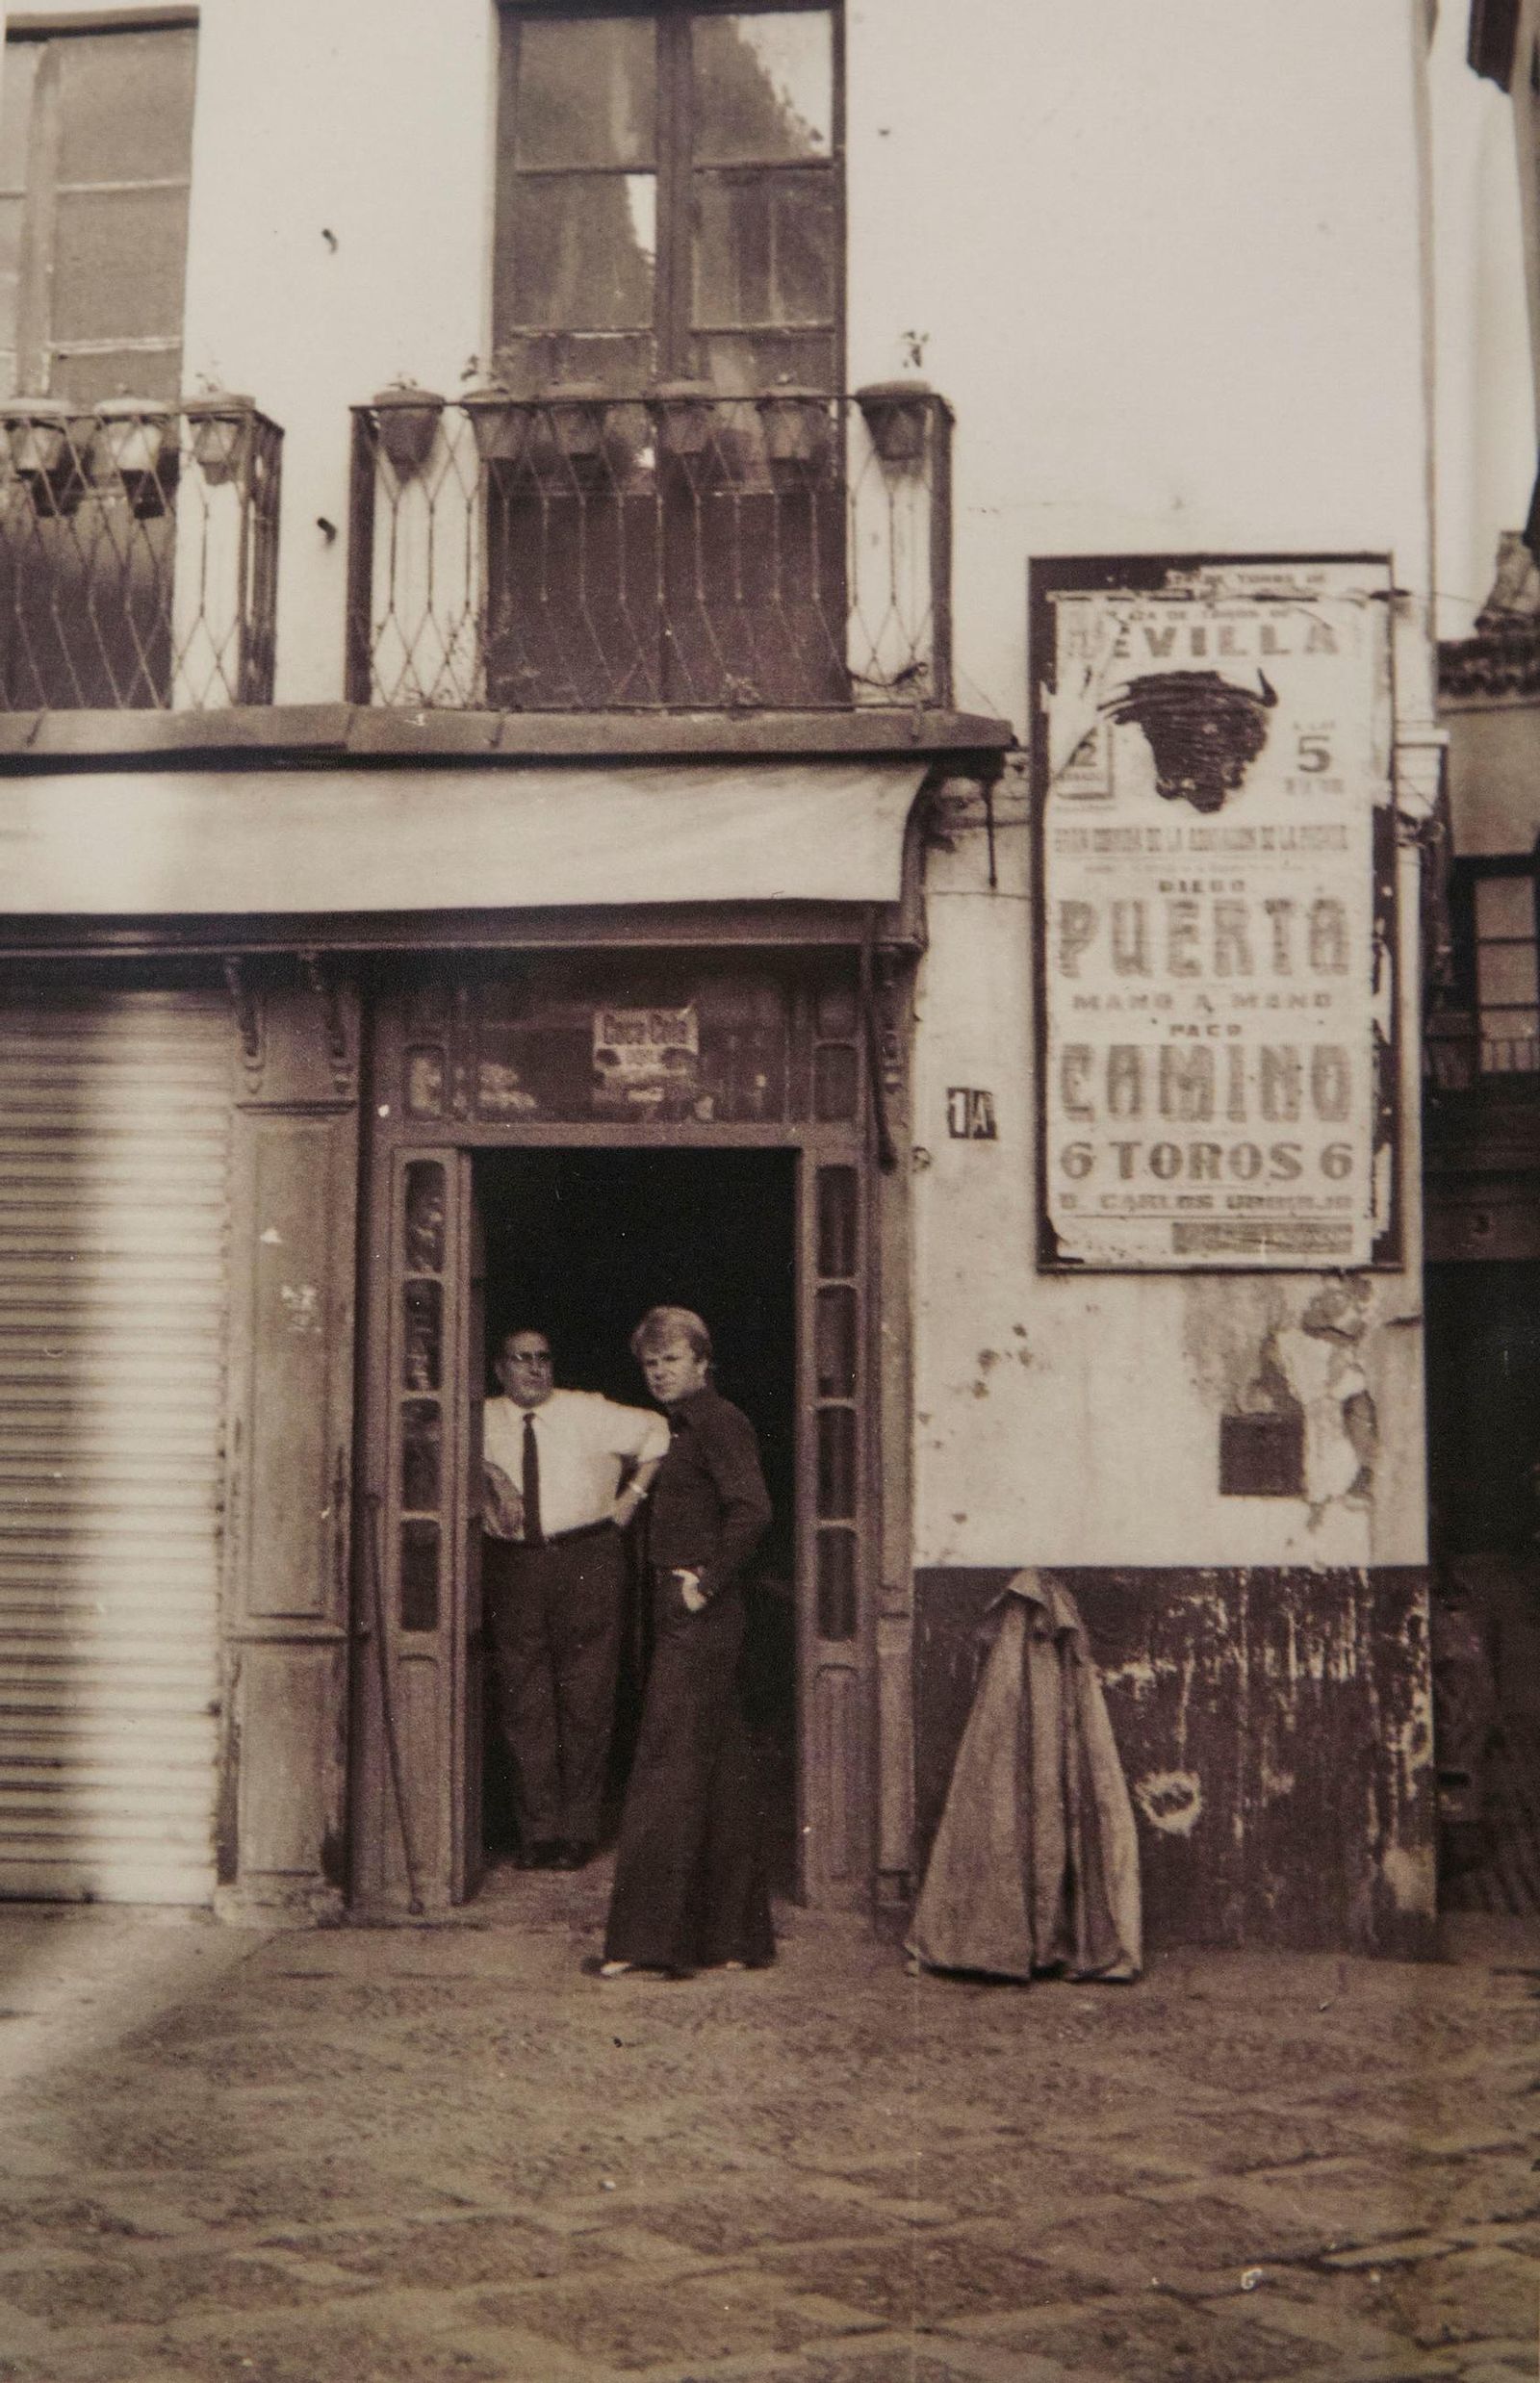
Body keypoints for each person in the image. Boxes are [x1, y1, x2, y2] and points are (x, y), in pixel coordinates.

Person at [593, 1307, 775, 1978]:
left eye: (671, 1360)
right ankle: (733, 1940)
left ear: (702, 1362)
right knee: (722, 1777)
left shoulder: (719, 1421)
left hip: (699, 1612)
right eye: (650, 1363)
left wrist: (707, 1583)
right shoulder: (687, 1426)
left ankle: (647, 1944)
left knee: (665, 1771)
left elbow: (753, 1509)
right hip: (690, 1610)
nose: (660, 1372)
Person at [481, 1327, 667, 1872]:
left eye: (544, 1358)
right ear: (500, 1369)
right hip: (514, 1565)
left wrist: (631, 1497)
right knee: (524, 1698)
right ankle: (538, 1832)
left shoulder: (588, 1411)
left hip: (588, 1559)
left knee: (587, 1695)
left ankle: (579, 1830)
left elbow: (658, 1432)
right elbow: (424, 1438)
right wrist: (488, 1471)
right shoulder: (482, 1417)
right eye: (522, 1359)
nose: (535, 1369)